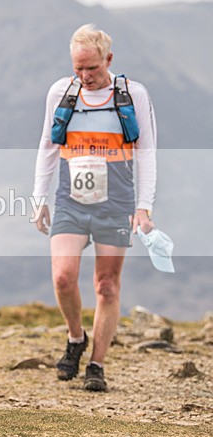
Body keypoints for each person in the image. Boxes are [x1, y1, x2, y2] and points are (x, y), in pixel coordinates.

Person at [33, 24, 157, 392]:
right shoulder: (62, 92)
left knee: (106, 286)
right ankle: (75, 338)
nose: (84, 77)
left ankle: (97, 365)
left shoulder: (133, 94)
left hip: (115, 202)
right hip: (71, 200)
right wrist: (39, 196)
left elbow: (147, 152)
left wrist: (144, 207)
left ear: (109, 59)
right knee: (63, 276)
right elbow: (47, 146)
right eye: (78, 69)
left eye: (92, 68)